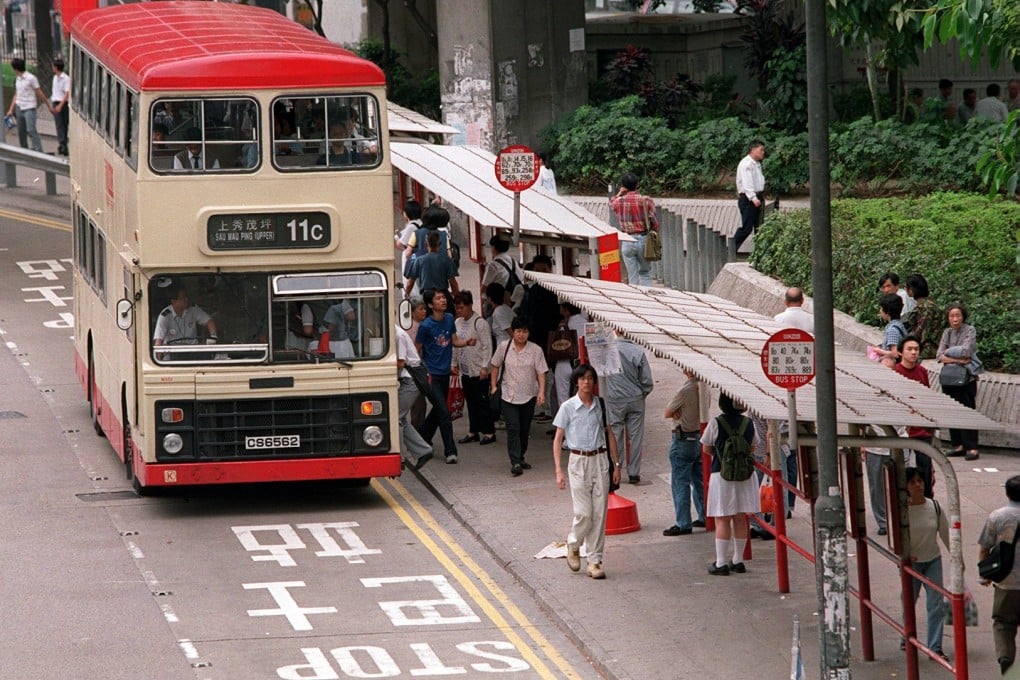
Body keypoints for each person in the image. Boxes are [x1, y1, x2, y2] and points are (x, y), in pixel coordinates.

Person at [553, 364, 620, 580]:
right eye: (582, 379)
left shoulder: (601, 405)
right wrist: (558, 470)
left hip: (600, 460)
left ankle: (594, 560)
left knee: (600, 514)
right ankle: (573, 544)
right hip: (578, 461)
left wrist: (616, 465)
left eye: (590, 378)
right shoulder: (568, 407)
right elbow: (558, 438)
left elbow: (610, 434)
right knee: (584, 513)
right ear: (576, 382)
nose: (586, 382)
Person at [702, 393, 759, 576]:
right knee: (741, 517)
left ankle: (721, 562)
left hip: (722, 475)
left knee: (723, 518)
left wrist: (725, 459)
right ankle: (738, 560)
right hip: (745, 476)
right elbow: (753, 446)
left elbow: (706, 447)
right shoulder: (748, 423)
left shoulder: (716, 423)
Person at [416, 289, 475, 464]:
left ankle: (421, 437)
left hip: (445, 375)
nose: (443, 300)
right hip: (431, 376)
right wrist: (420, 371)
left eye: (443, 297)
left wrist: (467, 343)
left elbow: (454, 341)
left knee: (438, 410)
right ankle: (450, 451)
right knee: (444, 412)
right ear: (430, 304)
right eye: (438, 298)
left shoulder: (449, 319)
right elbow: (416, 349)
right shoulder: (425, 326)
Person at [902, 466, 950, 662]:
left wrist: (958, 559)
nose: (918, 485)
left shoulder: (934, 507)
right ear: (905, 486)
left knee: (936, 604)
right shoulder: (901, 510)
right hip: (911, 564)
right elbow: (894, 537)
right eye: (913, 482)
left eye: (920, 481)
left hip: (933, 560)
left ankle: (935, 647)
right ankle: (906, 636)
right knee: (908, 601)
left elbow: (946, 534)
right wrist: (904, 555)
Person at [490, 316, 548, 477]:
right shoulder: (504, 347)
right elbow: (495, 365)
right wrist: (494, 386)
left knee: (524, 429)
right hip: (508, 395)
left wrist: (541, 392)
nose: (521, 334)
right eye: (518, 331)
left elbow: (541, 372)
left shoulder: (536, 350)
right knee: (513, 428)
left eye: (524, 331)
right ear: (513, 332)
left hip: (528, 395)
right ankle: (515, 461)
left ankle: (521, 456)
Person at [977, 475, 1020, 676]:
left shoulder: (997, 516)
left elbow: (985, 547)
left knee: (1003, 623)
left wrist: (984, 575)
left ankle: (1006, 657)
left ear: (1006, 493)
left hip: (1005, 582)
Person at [604, 339, 653, 484]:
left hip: (614, 398)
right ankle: (633, 473)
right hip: (635, 398)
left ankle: (616, 469)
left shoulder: (607, 349)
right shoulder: (638, 351)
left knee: (615, 434)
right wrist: (643, 392)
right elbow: (647, 379)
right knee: (635, 437)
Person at [663, 369, 705, 536]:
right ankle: (704, 515)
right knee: (699, 480)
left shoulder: (685, 390)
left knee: (680, 482)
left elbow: (667, 412)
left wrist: (676, 413)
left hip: (682, 438)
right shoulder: (704, 388)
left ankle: (683, 523)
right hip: (697, 436)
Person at [936, 303, 980, 461]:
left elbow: (967, 351)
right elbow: (939, 355)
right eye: (952, 316)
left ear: (963, 316)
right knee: (952, 410)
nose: (955, 319)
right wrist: (958, 359)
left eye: (958, 315)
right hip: (949, 378)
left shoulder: (970, 330)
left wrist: (949, 356)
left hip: (967, 377)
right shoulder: (947, 333)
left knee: (968, 410)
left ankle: (972, 447)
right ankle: (958, 445)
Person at [453, 291, 496, 447]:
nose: (459, 311)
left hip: (478, 369)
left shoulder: (480, 323)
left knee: (482, 402)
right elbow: (456, 344)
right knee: (471, 402)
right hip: (465, 369)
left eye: (461, 307)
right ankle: (473, 431)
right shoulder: (457, 323)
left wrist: (485, 367)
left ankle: (489, 431)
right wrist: (454, 363)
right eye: (457, 308)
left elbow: (487, 346)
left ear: (470, 305)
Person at [894, 336, 935, 499]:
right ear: (900, 352)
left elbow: (927, 397)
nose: (913, 352)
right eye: (909, 349)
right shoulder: (895, 371)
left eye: (916, 349)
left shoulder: (922, 372)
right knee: (901, 467)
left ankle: (926, 499)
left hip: (921, 430)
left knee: (925, 468)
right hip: (902, 430)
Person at [395, 324, 434, 471]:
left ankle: (400, 457)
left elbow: (401, 362)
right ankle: (424, 451)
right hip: (408, 381)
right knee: (402, 418)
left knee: (395, 417)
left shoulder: (398, 334)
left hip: (410, 381)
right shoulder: (393, 332)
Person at [609, 171, 659, 286]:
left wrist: (619, 194)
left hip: (627, 240)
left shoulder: (618, 202)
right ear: (637, 185)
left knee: (632, 276)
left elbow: (611, 204)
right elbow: (655, 223)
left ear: (623, 186)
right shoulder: (645, 200)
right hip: (643, 239)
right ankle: (646, 300)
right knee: (645, 273)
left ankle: (634, 299)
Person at [6, 58, 47, 152]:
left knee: (31, 129)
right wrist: (11, 109)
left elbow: (39, 92)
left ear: (16, 69)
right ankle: (24, 150)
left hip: (29, 107)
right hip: (19, 107)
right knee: (21, 131)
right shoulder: (17, 79)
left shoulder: (31, 78)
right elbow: (16, 94)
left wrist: (47, 104)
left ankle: (38, 150)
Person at [153, 287, 217, 346]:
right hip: (172, 353)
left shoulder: (193, 309)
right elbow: (159, 340)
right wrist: (159, 355)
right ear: (174, 301)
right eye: (182, 297)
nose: (186, 299)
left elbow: (209, 321)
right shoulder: (165, 316)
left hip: (192, 351)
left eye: (186, 297)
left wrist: (213, 337)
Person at [404, 231, 458, 298]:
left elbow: (410, 282)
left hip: (427, 295)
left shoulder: (419, 260)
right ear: (440, 244)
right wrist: (456, 297)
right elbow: (453, 283)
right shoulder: (447, 261)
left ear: (426, 244)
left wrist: (406, 294)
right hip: (442, 294)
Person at [734, 140, 766, 249]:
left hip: (758, 196)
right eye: (761, 150)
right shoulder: (747, 163)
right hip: (749, 198)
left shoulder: (756, 164)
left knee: (759, 227)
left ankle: (759, 252)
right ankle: (731, 248)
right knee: (747, 228)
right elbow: (747, 183)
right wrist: (753, 198)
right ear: (753, 150)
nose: (763, 152)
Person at [904, 273, 941, 360]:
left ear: (911, 290)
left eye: (907, 287)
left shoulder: (927, 308)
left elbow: (922, 331)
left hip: (929, 348)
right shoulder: (925, 304)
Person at [481, 236, 524, 309]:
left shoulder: (493, 265)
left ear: (493, 248)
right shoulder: (513, 262)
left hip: (498, 304)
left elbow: (484, 288)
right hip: (515, 302)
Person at [870, 293, 907, 362]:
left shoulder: (892, 330)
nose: (880, 311)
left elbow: (895, 354)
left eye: (881, 308)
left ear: (887, 311)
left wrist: (879, 351)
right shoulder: (900, 324)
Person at [396, 199, 422, 284]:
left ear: (407, 213)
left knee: (409, 279)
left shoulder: (411, 227)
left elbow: (401, 244)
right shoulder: (421, 223)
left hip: (410, 256)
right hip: (420, 254)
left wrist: (396, 238)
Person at [50, 58, 70, 156]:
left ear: (56, 67)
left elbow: (67, 93)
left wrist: (60, 106)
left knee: (63, 124)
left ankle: (63, 144)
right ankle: (62, 144)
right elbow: (55, 92)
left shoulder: (65, 78)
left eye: (53, 66)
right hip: (56, 102)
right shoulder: (55, 78)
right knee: (59, 125)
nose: (52, 68)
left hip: (62, 103)